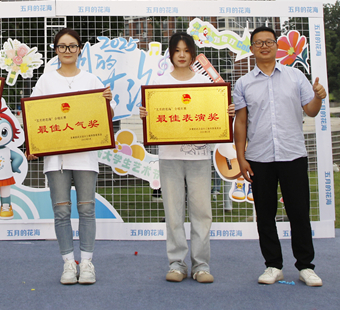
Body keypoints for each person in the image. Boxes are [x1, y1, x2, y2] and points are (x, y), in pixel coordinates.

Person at [233, 25, 326, 287]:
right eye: (259, 42)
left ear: (276, 46)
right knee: (265, 215)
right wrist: (241, 157)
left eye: (269, 42)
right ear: (251, 49)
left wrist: (319, 97)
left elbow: (311, 110)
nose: (264, 46)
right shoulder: (243, 83)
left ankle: (306, 266)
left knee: (299, 212)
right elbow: (241, 122)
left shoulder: (296, 76)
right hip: (259, 157)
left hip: (292, 154)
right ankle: (273, 265)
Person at [139, 32, 235, 284]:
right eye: (177, 50)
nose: (181, 55)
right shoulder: (158, 82)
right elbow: (153, 119)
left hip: (199, 156)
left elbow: (216, 115)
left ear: (193, 53)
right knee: (173, 212)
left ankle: (201, 265)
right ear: (170, 54)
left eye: (186, 50)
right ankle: (176, 263)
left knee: (202, 212)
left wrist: (226, 112)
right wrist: (146, 115)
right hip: (169, 156)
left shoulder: (204, 82)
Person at [28, 28, 114, 285]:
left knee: (87, 209)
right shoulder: (45, 81)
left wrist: (107, 102)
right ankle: (68, 263)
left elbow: (106, 117)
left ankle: (86, 263)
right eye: (62, 46)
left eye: (72, 46)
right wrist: (33, 144)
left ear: (80, 50)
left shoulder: (92, 80)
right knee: (61, 211)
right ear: (56, 50)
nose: (67, 50)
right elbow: (34, 116)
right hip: (57, 159)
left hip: (85, 156)